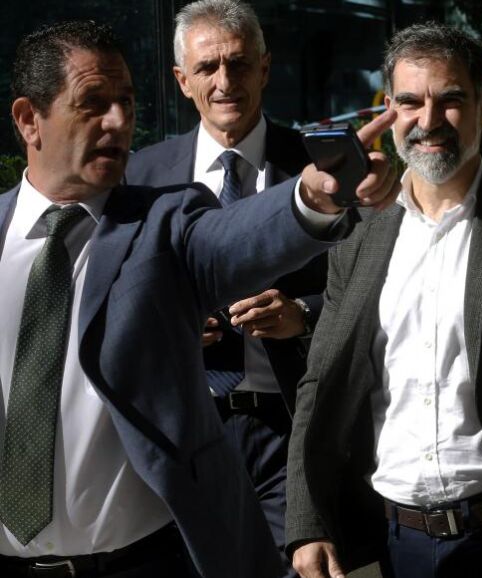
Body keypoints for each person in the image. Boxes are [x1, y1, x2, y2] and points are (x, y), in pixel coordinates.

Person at [0, 20, 396, 578]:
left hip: (139, 563)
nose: (118, 121)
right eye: (93, 104)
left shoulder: (163, 222)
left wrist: (312, 198)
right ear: (28, 120)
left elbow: (237, 239)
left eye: (126, 102)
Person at [286, 22, 482, 578]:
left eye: (450, 100)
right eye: (410, 102)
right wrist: (307, 522)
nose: (429, 120)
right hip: (389, 542)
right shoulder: (360, 235)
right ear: (389, 111)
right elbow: (320, 382)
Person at [125, 2, 322, 573]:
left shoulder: (319, 169)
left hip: (286, 430)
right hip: (181, 432)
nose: (225, 81)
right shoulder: (141, 178)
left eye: (238, 64)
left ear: (265, 68)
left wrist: (302, 313)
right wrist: (170, 327)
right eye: (207, 68)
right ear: (182, 81)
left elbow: (369, 289)